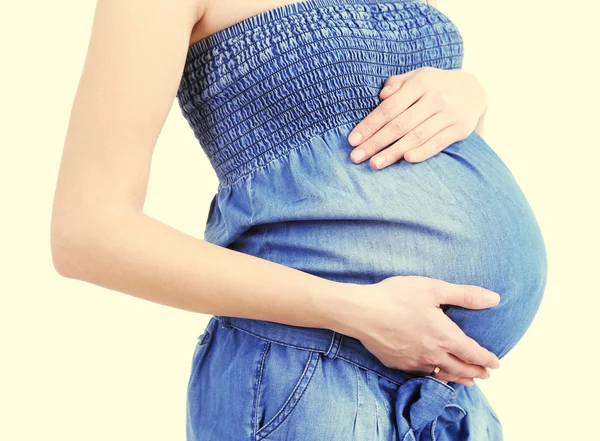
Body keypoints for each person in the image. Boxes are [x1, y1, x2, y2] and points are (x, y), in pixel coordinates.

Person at [51, 0, 547, 439]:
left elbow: (418, 158)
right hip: (310, 377)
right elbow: (86, 233)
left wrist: (469, 96)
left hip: (441, 391)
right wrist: (356, 311)